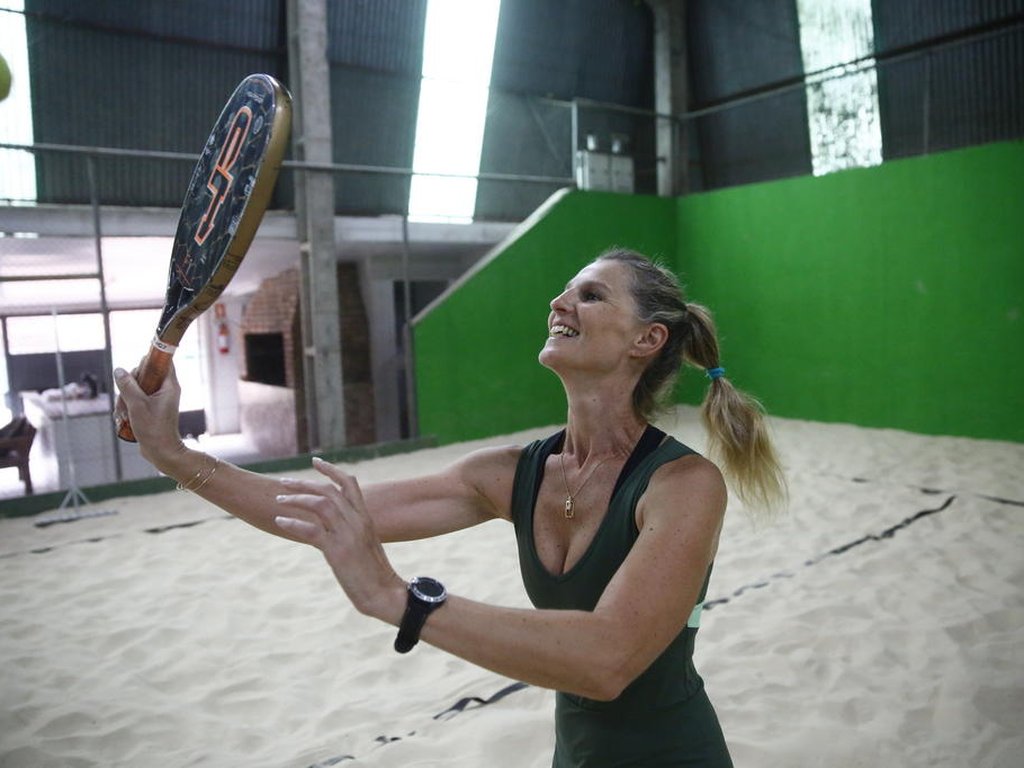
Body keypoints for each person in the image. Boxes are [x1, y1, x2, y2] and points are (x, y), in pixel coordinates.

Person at [114, 247, 786, 767]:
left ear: (648, 340)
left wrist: (401, 599)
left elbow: (607, 660)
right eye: (565, 289)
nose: (559, 301)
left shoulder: (684, 485)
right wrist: (175, 456)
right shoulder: (509, 474)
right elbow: (319, 510)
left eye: (591, 294)